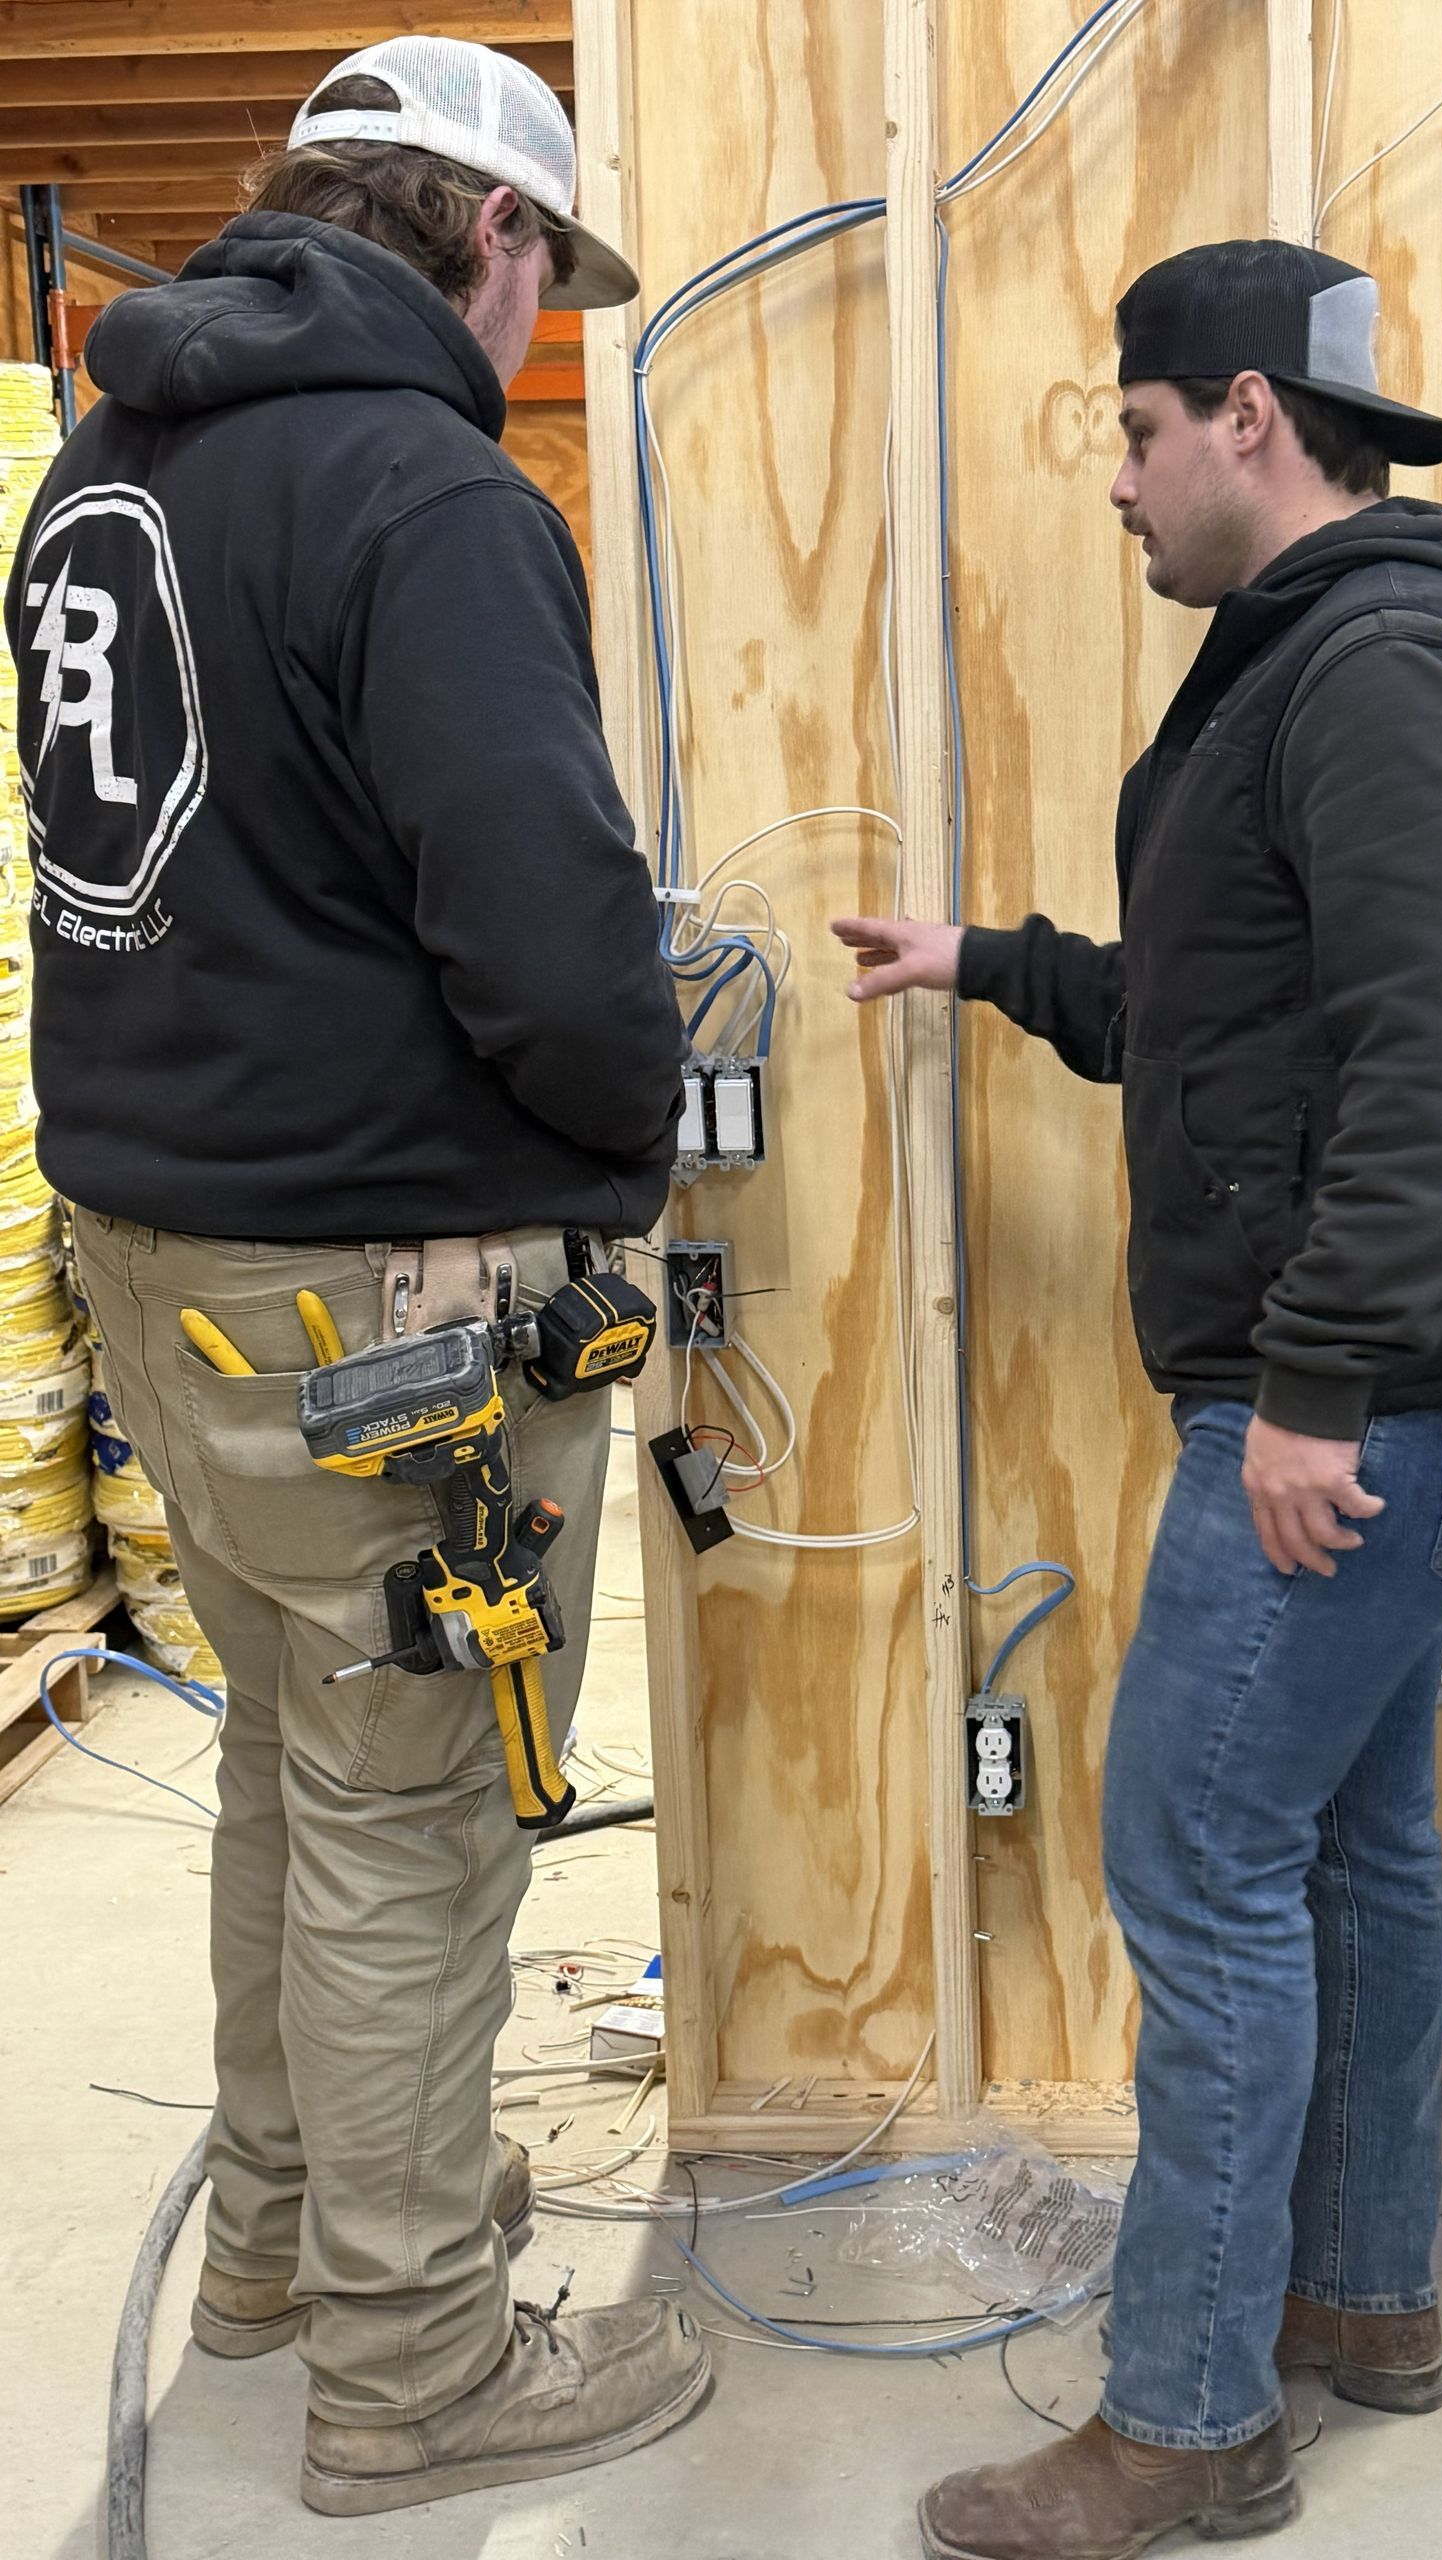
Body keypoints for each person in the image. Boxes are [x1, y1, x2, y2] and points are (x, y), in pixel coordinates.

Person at [835, 237, 1442, 2559]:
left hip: (1355, 1398)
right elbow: (1242, 997)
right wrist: (994, 964)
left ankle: (1183, 2415)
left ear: (1247, 412)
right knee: (1344, 1839)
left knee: (1193, 1851)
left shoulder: (1374, 663)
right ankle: (1359, 2298)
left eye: (1137, 434)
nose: (1124, 487)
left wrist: (1316, 1384)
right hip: (1405, 1387)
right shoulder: (1331, 661)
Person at [4, 37, 706, 2518]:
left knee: (297, 1766)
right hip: (379, 1294)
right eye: (550, 280)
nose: (540, 333)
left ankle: (297, 2237)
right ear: (491, 237)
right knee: (415, 1817)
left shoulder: (109, 470)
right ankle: (417, 2363)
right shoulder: (424, 486)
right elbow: (551, 942)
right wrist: (632, 1128)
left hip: (161, 1258)